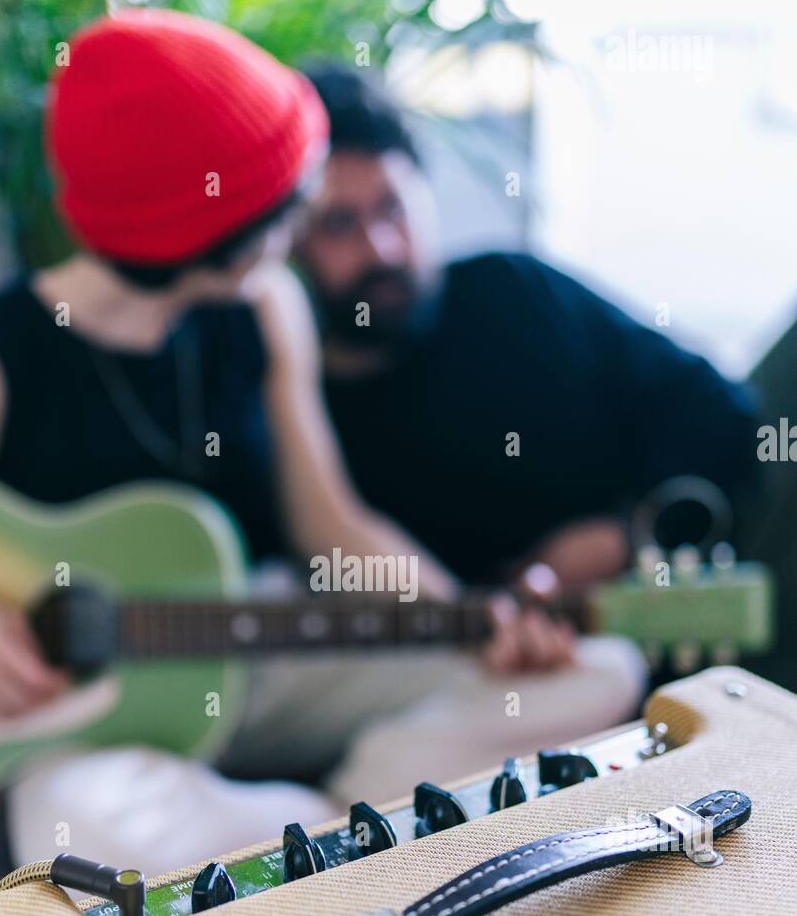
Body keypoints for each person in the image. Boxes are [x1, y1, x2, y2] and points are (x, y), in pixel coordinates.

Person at [0, 13, 643, 880]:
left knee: (601, 670)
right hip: (91, 708)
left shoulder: (266, 307)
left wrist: (465, 614)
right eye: (286, 198)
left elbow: (331, 522)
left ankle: (330, 829)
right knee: (75, 827)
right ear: (208, 234)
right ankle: (341, 829)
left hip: (259, 637)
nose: (305, 214)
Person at [294, 65, 758, 592]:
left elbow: (719, 411)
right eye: (339, 224)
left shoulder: (512, 291)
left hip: (679, 575)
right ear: (292, 241)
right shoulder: (297, 404)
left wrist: (622, 536)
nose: (382, 248)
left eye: (392, 208)